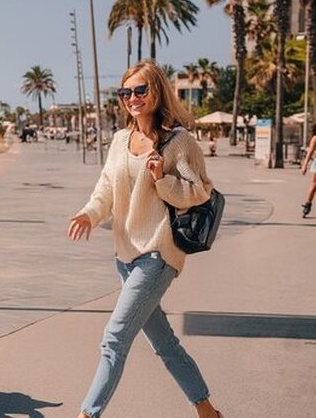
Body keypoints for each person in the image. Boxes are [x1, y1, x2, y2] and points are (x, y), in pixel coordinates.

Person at [67, 60, 223, 418]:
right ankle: (207, 411)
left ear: (157, 91)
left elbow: (199, 192)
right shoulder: (121, 140)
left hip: (158, 253)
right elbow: (105, 189)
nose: (132, 98)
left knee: (113, 340)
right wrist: (89, 214)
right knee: (164, 343)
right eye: (126, 92)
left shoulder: (179, 141)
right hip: (125, 255)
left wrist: (161, 178)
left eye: (140, 90)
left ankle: (87, 415)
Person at [301, 124, 316, 217]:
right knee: (314, 184)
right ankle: (308, 203)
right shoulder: (315, 138)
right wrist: (305, 165)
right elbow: (310, 151)